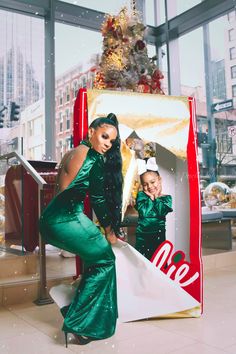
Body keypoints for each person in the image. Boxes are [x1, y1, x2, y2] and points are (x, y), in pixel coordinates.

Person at [39, 113, 123, 346]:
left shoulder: (72, 152)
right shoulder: (94, 158)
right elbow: (97, 198)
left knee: (95, 257)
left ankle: (73, 302)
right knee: (105, 260)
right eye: (104, 136)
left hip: (50, 219)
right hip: (67, 219)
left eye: (111, 141)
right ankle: (79, 323)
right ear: (91, 132)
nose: (107, 144)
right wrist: (109, 229)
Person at [135, 157, 173, 260]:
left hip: (159, 236)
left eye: (152, 182)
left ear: (159, 180)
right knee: (143, 263)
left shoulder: (166, 198)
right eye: (145, 184)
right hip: (142, 237)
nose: (149, 186)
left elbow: (161, 212)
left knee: (159, 262)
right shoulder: (141, 196)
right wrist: (151, 198)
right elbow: (143, 212)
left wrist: (155, 197)